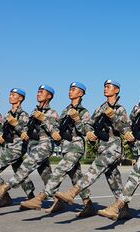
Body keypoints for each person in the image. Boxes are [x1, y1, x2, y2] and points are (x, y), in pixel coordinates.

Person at [54, 80, 134, 219]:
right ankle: (124, 209)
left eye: (108, 87)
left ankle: (73, 192)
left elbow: (125, 129)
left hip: (113, 147)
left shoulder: (120, 109)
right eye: (104, 86)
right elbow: (88, 126)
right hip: (102, 147)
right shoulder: (100, 108)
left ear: (116, 90)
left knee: (96, 167)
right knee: (113, 179)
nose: (105, 89)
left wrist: (113, 117)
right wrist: (88, 131)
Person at [20, 82, 95, 216]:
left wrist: (77, 120)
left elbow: (86, 130)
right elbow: (57, 129)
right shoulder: (65, 110)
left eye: (73, 89)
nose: (70, 92)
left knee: (59, 170)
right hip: (65, 147)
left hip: (76, 147)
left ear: (81, 93)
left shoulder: (84, 112)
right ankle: (88, 205)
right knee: (76, 177)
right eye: (69, 89)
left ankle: (39, 198)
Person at [98, 76, 140, 222]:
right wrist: (128, 134)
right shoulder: (137, 106)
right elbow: (129, 124)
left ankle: (118, 205)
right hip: (138, 148)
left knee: (135, 174)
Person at [0, 85, 60, 207]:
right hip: (32, 146)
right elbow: (25, 131)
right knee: (46, 175)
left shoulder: (52, 113)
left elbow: (55, 132)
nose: (38, 94)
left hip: (44, 145)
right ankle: (57, 200)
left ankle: (4, 188)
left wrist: (44, 119)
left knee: (26, 165)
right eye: (38, 91)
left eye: (41, 92)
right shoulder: (33, 112)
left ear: (49, 96)